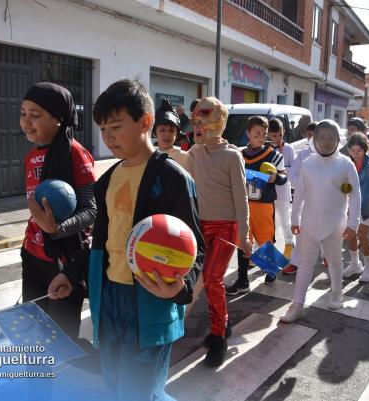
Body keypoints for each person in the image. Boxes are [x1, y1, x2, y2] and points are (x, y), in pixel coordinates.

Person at [48, 79, 204, 401]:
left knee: (140, 392)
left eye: (116, 126)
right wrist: (71, 275)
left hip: (150, 303)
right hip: (109, 302)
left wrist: (181, 286)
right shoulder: (107, 180)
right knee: (115, 388)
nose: (108, 136)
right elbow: (101, 244)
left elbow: (195, 245)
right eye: (103, 129)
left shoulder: (172, 178)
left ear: (146, 122)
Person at [20, 82, 97, 339]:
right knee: (32, 328)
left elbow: (90, 210)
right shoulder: (30, 157)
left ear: (58, 119)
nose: (26, 122)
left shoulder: (76, 153)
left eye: (35, 115)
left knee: (60, 337)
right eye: (23, 114)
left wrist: (56, 228)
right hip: (32, 254)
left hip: (64, 260)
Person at [187, 97, 251, 367]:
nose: (197, 128)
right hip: (199, 226)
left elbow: (241, 198)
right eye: (196, 122)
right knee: (201, 280)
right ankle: (221, 325)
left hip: (225, 227)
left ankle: (218, 337)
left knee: (213, 279)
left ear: (217, 123)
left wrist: (245, 235)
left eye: (202, 122)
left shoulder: (232, 156)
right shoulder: (193, 153)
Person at [280, 120, 360, 322]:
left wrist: (353, 224)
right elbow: (299, 193)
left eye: (331, 138)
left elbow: (355, 195)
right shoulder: (308, 163)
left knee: (335, 261)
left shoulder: (345, 163)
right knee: (305, 263)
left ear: (338, 140)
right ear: (314, 140)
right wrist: (294, 219)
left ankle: (337, 295)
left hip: (335, 224)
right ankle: (297, 304)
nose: (326, 142)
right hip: (309, 223)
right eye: (322, 138)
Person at [226, 116, 287, 294]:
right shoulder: (238, 154)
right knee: (242, 241)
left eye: (264, 134)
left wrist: (276, 177)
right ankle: (243, 280)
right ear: (248, 134)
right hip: (242, 204)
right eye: (257, 133)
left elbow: (284, 178)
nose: (261, 137)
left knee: (264, 240)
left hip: (263, 205)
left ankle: (272, 269)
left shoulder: (273, 155)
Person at [284, 121, 328, 275]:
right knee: (302, 231)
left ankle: (327, 255)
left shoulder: (328, 154)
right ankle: (296, 262)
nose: (311, 138)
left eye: (314, 135)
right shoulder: (302, 154)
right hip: (305, 200)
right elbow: (293, 174)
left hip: (324, 200)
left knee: (325, 228)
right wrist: (302, 186)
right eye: (309, 134)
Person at [342, 133, 369, 283]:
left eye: (359, 151)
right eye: (352, 150)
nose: (355, 154)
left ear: (365, 150)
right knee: (350, 233)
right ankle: (355, 264)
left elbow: (367, 193)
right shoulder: (349, 163)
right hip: (355, 202)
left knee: (361, 234)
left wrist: (353, 210)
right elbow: (346, 184)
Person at [268, 117, 296, 259]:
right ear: (268, 135)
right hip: (268, 193)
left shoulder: (289, 149)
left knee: (285, 220)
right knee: (269, 223)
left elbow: (295, 170)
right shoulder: (265, 150)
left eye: (280, 134)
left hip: (284, 191)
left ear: (283, 132)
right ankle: (268, 249)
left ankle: (290, 244)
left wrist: (281, 171)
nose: (277, 138)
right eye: (274, 135)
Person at [154, 99, 190, 172]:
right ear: (155, 133)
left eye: (171, 130)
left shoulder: (185, 157)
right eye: (162, 130)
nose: (167, 134)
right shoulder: (148, 155)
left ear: (177, 134)